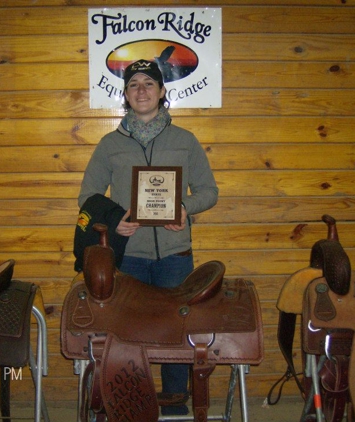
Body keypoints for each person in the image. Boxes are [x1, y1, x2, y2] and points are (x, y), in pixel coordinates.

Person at [78, 59, 219, 417]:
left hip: (175, 256)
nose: (141, 90)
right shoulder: (109, 144)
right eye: (134, 84)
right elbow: (89, 196)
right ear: (125, 95)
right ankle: (126, 404)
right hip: (129, 256)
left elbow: (209, 190)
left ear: (161, 91)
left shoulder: (185, 141)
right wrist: (113, 224)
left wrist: (186, 208)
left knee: (177, 335)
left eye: (149, 84)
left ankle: (176, 406)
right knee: (125, 337)